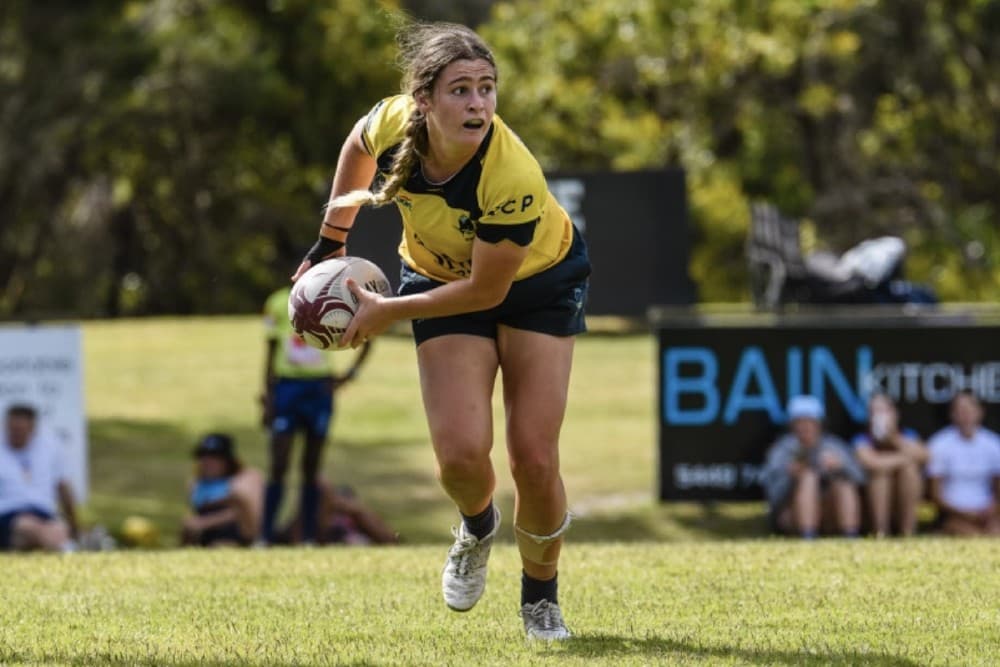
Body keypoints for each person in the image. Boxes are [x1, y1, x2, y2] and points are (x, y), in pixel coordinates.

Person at [291, 22, 590, 640]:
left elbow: (488, 291)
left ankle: (541, 597)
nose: (478, 103)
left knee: (533, 457)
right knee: (458, 456)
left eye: (487, 88)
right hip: (435, 275)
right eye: (461, 90)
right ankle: (477, 525)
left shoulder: (511, 175)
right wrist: (331, 240)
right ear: (424, 100)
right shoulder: (398, 120)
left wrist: (384, 312)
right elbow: (357, 145)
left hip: (538, 285)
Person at [260, 285, 371, 545]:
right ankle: (264, 535)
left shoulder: (334, 298)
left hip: (319, 389)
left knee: (311, 466)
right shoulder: (277, 301)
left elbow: (368, 337)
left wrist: (349, 375)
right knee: (278, 463)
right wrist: (268, 395)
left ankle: (308, 536)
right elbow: (270, 348)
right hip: (286, 387)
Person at [761, 395, 866, 538]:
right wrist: (790, 476)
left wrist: (841, 466)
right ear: (792, 425)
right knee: (808, 477)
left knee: (843, 483)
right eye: (800, 421)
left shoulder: (834, 446)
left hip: (829, 514)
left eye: (810, 421)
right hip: (791, 515)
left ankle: (850, 535)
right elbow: (771, 497)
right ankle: (808, 535)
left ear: (819, 423)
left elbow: (861, 479)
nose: (805, 426)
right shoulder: (781, 449)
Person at [0, 403, 79, 552]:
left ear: (32, 428)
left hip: (42, 512)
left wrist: (74, 524)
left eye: (20, 430)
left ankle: (58, 545)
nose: (15, 434)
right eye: (11, 429)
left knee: (57, 527)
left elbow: (63, 486)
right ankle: (66, 549)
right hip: (7, 514)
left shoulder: (50, 447)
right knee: (27, 526)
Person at [852, 393, 929, 536]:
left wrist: (893, 438)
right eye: (875, 412)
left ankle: (908, 531)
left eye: (884, 411)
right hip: (869, 504)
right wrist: (905, 458)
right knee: (880, 476)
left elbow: (925, 456)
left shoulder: (907, 435)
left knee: (909, 471)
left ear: (895, 414)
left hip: (903, 500)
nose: (880, 417)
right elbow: (872, 463)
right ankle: (881, 531)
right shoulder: (862, 439)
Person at [926, 391, 1000, 536]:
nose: (966, 415)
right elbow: (935, 495)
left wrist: (993, 510)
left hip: (986, 515)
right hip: (953, 515)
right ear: (952, 414)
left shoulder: (994, 443)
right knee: (971, 534)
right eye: (960, 410)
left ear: (980, 412)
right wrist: (964, 514)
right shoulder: (939, 444)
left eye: (970, 409)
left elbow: (998, 489)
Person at [181, 433, 264, 547]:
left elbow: (252, 516)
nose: (207, 461)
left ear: (228, 460)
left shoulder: (246, 478)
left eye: (215, 457)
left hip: (240, 536)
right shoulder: (196, 483)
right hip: (208, 537)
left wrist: (205, 522)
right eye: (203, 456)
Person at [272, 478, 398, 546]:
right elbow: (296, 542)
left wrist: (353, 510)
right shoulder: (300, 529)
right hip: (317, 534)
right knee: (321, 482)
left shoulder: (352, 522)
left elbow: (390, 540)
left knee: (322, 483)